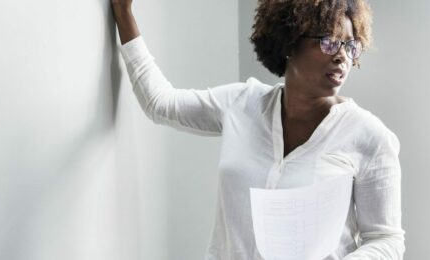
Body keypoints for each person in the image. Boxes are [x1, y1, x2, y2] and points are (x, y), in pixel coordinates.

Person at [111, 0, 405, 259]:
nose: (342, 57)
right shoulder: (241, 103)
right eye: (329, 41)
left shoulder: (369, 137)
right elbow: (161, 104)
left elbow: (386, 240)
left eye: (351, 46)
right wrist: (124, 13)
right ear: (289, 41)